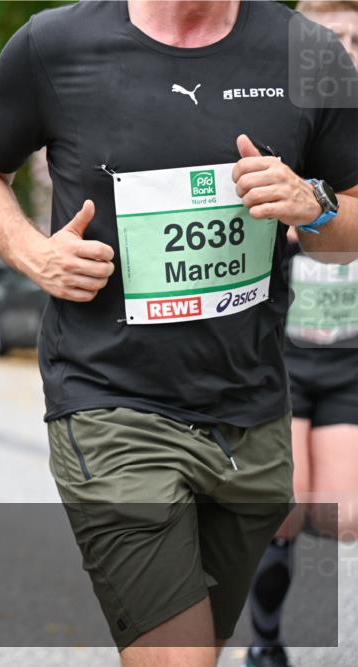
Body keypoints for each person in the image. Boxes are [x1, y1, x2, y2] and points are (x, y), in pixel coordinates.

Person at [0, 1, 357, 664]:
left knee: (194, 646)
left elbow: (352, 226)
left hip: (251, 421)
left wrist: (316, 207)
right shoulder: (55, 43)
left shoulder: (309, 50)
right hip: (110, 402)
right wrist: (32, 252)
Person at [244, 4, 358, 666]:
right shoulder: (276, 120)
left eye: (353, 38)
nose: (340, 49)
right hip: (281, 352)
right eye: (328, 38)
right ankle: (265, 645)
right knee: (280, 508)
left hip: (350, 355)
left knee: (340, 514)